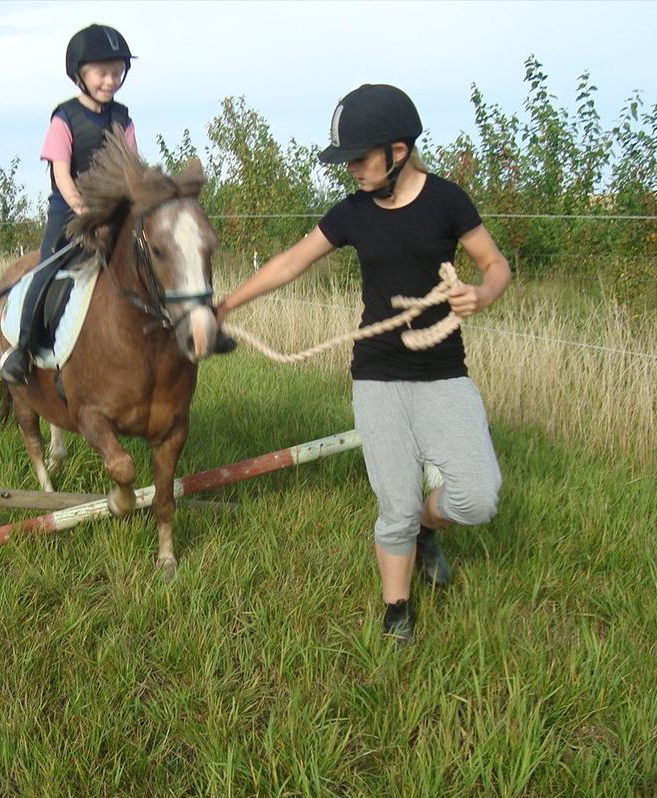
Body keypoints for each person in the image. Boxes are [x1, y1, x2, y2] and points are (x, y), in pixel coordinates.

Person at [215, 84, 511, 644]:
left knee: (477, 496)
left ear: (397, 152)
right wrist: (228, 303)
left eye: (357, 157)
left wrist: (485, 293)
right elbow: (289, 263)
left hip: (444, 372)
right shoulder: (352, 212)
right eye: (345, 159)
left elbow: (495, 263)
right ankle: (396, 609)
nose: (349, 168)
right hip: (377, 374)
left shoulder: (448, 201)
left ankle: (430, 527)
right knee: (394, 506)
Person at [0, 24, 138, 384]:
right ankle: (21, 350)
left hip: (113, 211)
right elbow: (62, 173)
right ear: (80, 75)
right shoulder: (64, 118)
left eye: (117, 71)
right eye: (103, 72)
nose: (111, 80)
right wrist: (83, 210)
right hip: (69, 213)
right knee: (45, 269)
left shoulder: (123, 118)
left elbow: (131, 170)